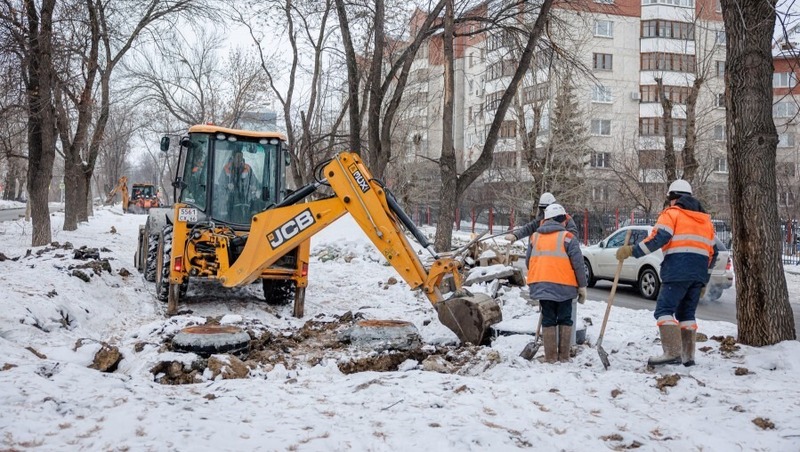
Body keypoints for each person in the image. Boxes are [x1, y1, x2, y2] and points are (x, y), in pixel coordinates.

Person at [616, 179, 717, 367]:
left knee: (663, 310)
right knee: (686, 314)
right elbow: (714, 252)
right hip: (698, 274)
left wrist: (632, 250)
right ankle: (688, 357)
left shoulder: (672, 214)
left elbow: (659, 237)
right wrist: (704, 280)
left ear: (673, 198)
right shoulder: (705, 221)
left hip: (677, 270)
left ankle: (672, 353)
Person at [525, 203, 588, 363]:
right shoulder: (568, 238)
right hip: (565, 287)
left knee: (548, 318)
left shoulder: (535, 237)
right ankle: (564, 356)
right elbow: (578, 264)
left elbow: (528, 262)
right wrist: (582, 286)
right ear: (562, 220)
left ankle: (550, 357)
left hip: (542, 286)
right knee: (565, 318)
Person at [504, 192, 578, 260]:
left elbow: (572, 237)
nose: (544, 211)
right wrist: (516, 235)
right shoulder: (542, 218)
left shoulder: (565, 218)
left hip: (561, 256)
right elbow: (529, 227)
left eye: (546, 208)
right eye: (543, 209)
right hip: (544, 257)